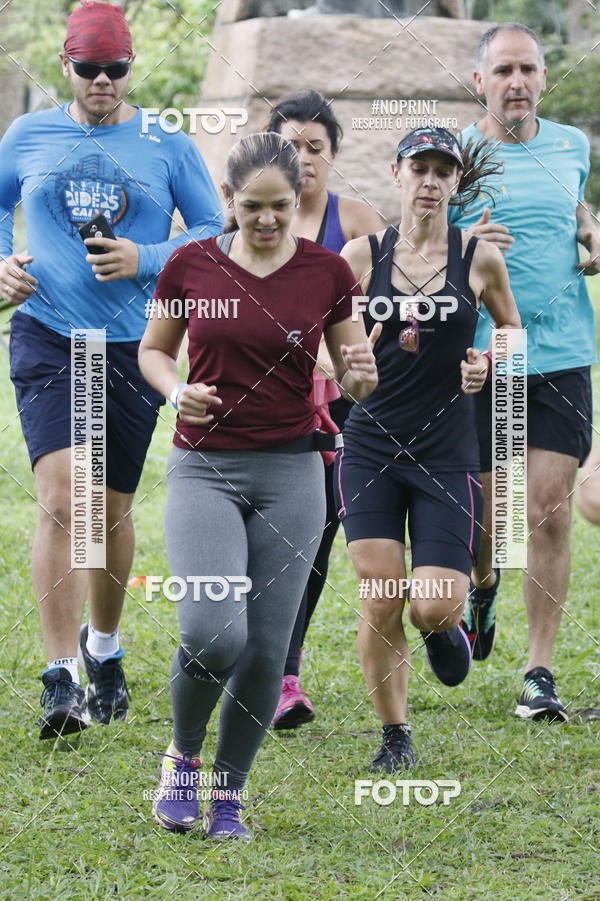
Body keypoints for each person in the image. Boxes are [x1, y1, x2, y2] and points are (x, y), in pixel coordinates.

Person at [138, 131, 378, 839]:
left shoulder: (327, 272)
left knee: (269, 650)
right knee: (212, 633)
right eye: (252, 206)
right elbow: (154, 351)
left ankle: (228, 794)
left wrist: (360, 376)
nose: (268, 219)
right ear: (228, 199)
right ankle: (182, 759)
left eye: (281, 205)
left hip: (294, 470)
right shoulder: (191, 265)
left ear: (298, 197)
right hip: (205, 466)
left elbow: (354, 374)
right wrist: (175, 390)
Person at [0, 0, 224, 740]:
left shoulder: (166, 142)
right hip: (49, 333)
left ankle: (103, 646)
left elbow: (212, 228)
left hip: (131, 343)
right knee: (65, 496)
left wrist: (145, 257)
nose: (103, 80)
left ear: (132, 67)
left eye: (117, 68)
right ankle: (60, 678)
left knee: (111, 509)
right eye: (90, 67)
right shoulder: (28, 134)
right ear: (66, 64)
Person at [336, 127, 521, 771]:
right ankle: (395, 735)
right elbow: (327, 343)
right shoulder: (360, 256)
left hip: (446, 451)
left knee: (433, 605)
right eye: (420, 168)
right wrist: (348, 362)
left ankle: (446, 625)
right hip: (370, 448)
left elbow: (511, 330)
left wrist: (487, 363)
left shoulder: (479, 259)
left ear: (456, 182)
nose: (431, 182)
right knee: (382, 594)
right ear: (397, 173)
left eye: (444, 171)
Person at [451, 23, 600, 721]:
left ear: (543, 77)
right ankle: (483, 586)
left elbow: (575, 207)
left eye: (529, 69)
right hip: (487, 356)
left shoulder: (572, 145)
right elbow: (414, 243)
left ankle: (539, 670)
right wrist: (463, 241)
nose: (518, 82)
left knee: (546, 510)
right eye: (504, 70)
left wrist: (591, 228)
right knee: (491, 520)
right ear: (479, 80)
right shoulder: (454, 154)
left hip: (562, 350)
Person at [266, 90, 382, 728]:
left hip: (343, 410)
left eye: (316, 147)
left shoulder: (357, 221)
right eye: (291, 147)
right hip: (264, 407)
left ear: (334, 154)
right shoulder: (250, 221)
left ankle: (286, 675)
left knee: (315, 536)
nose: (304, 158)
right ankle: (255, 659)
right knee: (268, 538)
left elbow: (402, 292)